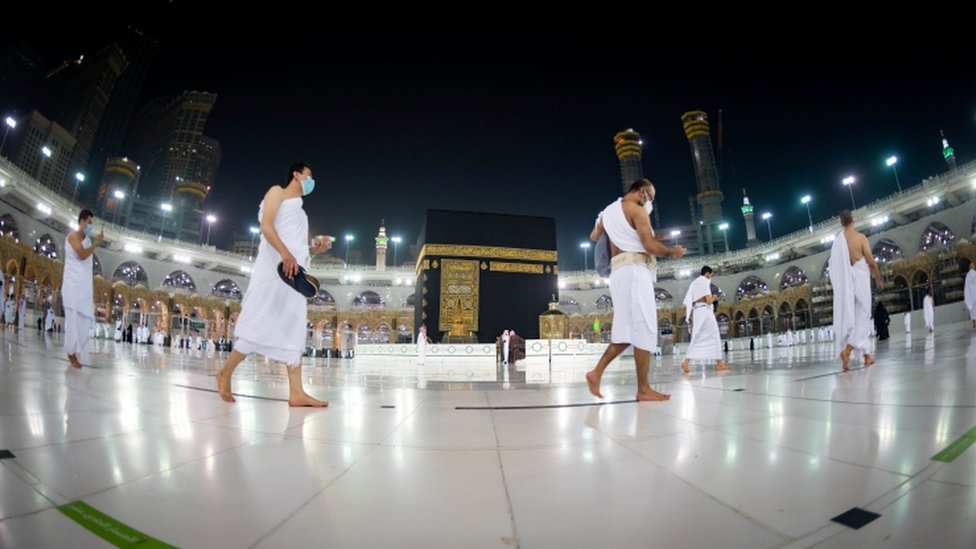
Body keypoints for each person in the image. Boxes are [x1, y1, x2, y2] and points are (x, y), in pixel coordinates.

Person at [216, 162, 331, 407]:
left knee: (294, 326)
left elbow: (298, 245)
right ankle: (225, 372)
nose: (311, 181)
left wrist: (315, 249)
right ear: (296, 174)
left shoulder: (302, 213)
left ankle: (296, 392)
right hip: (273, 267)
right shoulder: (276, 192)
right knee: (259, 321)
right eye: (309, 176)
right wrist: (285, 254)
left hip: (293, 275)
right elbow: (267, 226)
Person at [585, 179, 686, 401]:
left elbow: (594, 235)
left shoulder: (608, 212)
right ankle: (642, 389)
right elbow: (649, 246)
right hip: (633, 271)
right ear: (642, 192)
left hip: (619, 272)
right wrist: (672, 251)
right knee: (644, 326)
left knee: (628, 329)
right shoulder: (637, 210)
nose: (649, 202)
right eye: (649, 197)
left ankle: (597, 373)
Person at [829, 210, 883, 370]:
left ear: (841, 223)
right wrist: (878, 279)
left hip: (846, 286)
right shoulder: (860, 238)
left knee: (854, 320)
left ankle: (867, 356)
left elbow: (833, 266)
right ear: (853, 220)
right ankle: (848, 350)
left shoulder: (838, 242)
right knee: (864, 316)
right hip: (860, 281)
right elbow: (871, 262)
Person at [61, 209, 104, 368]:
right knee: (72, 319)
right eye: (90, 222)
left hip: (83, 287)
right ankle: (71, 353)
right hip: (72, 285)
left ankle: (75, 349)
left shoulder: (87, 239)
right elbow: (82, 255)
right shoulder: (73, 236)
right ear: (82, 221)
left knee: (82, 320)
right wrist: (97, 243)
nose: (91, 226)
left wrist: (94, 242)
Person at [680, 265, 729, 374]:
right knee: (714, 335)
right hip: (705, 311)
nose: (711, 278)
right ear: (707, 273)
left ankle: (687, 361)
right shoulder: (704, 281)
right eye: (711, 275)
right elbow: (708, 301)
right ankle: (718, 363)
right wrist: (715, 297)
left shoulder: (695, 282)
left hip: (698, 311)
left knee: (697, 336)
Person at [965, 262, 976, 330]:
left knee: (973, 311)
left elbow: (966, 288)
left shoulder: (967, 275)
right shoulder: (975, 273)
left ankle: (974, 323)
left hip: (971, 297)